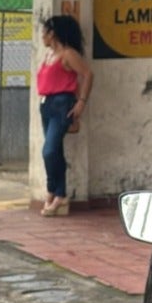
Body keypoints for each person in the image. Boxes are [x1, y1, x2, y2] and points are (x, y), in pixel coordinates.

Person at [36, 15, 94, 217]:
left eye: (45, 32)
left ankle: (53, 190)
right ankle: (59, 195)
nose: (42, 36)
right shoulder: (49, 56)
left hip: (62, 104)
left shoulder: (68, 54)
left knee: (49, 151)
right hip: (46, 104)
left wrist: (81, 102)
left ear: (53, 34)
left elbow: (87, 74)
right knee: (55, 151)